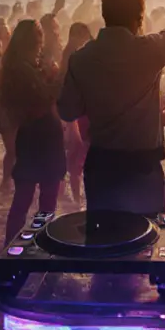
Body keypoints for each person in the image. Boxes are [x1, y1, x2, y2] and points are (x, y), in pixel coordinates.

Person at [58, 0, 165, 215]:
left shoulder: (81, 59)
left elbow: (67, 111)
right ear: (139, 18)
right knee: (147, 241)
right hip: (142, 169)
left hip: (101, 167)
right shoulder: (150, 49)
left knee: (104, 243)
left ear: (105, 15)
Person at [0, 20, 66, 244]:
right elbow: (44, 98)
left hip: (32, 136)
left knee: (25, 197)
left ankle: (14, 248)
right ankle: (39, 247)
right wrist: (58, 77)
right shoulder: (22, 69)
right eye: (38, 37)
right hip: (41, 136)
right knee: (41, 199)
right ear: (30, 41)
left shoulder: (18, 66)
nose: (41, 42)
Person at [61, 22, 94, 203]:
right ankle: (76, 200)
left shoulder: (77, 56)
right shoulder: (71, 56)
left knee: (79, 157)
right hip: (78, 113)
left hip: (84, 111)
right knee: (76, 157)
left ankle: (76, 199)